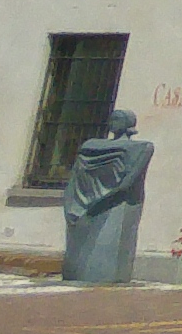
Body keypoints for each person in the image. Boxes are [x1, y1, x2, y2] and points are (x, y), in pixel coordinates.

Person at [59, 110, 151, 285]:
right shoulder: (92, 146)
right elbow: (77, 174)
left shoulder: (141, 148)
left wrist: (104, 197)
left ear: (127, 123)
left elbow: (128, 181)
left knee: (112, 240)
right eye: (111, 119)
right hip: (88, 203)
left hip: (117, 203)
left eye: (117, 119)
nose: (112, 123)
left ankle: (109, 275)